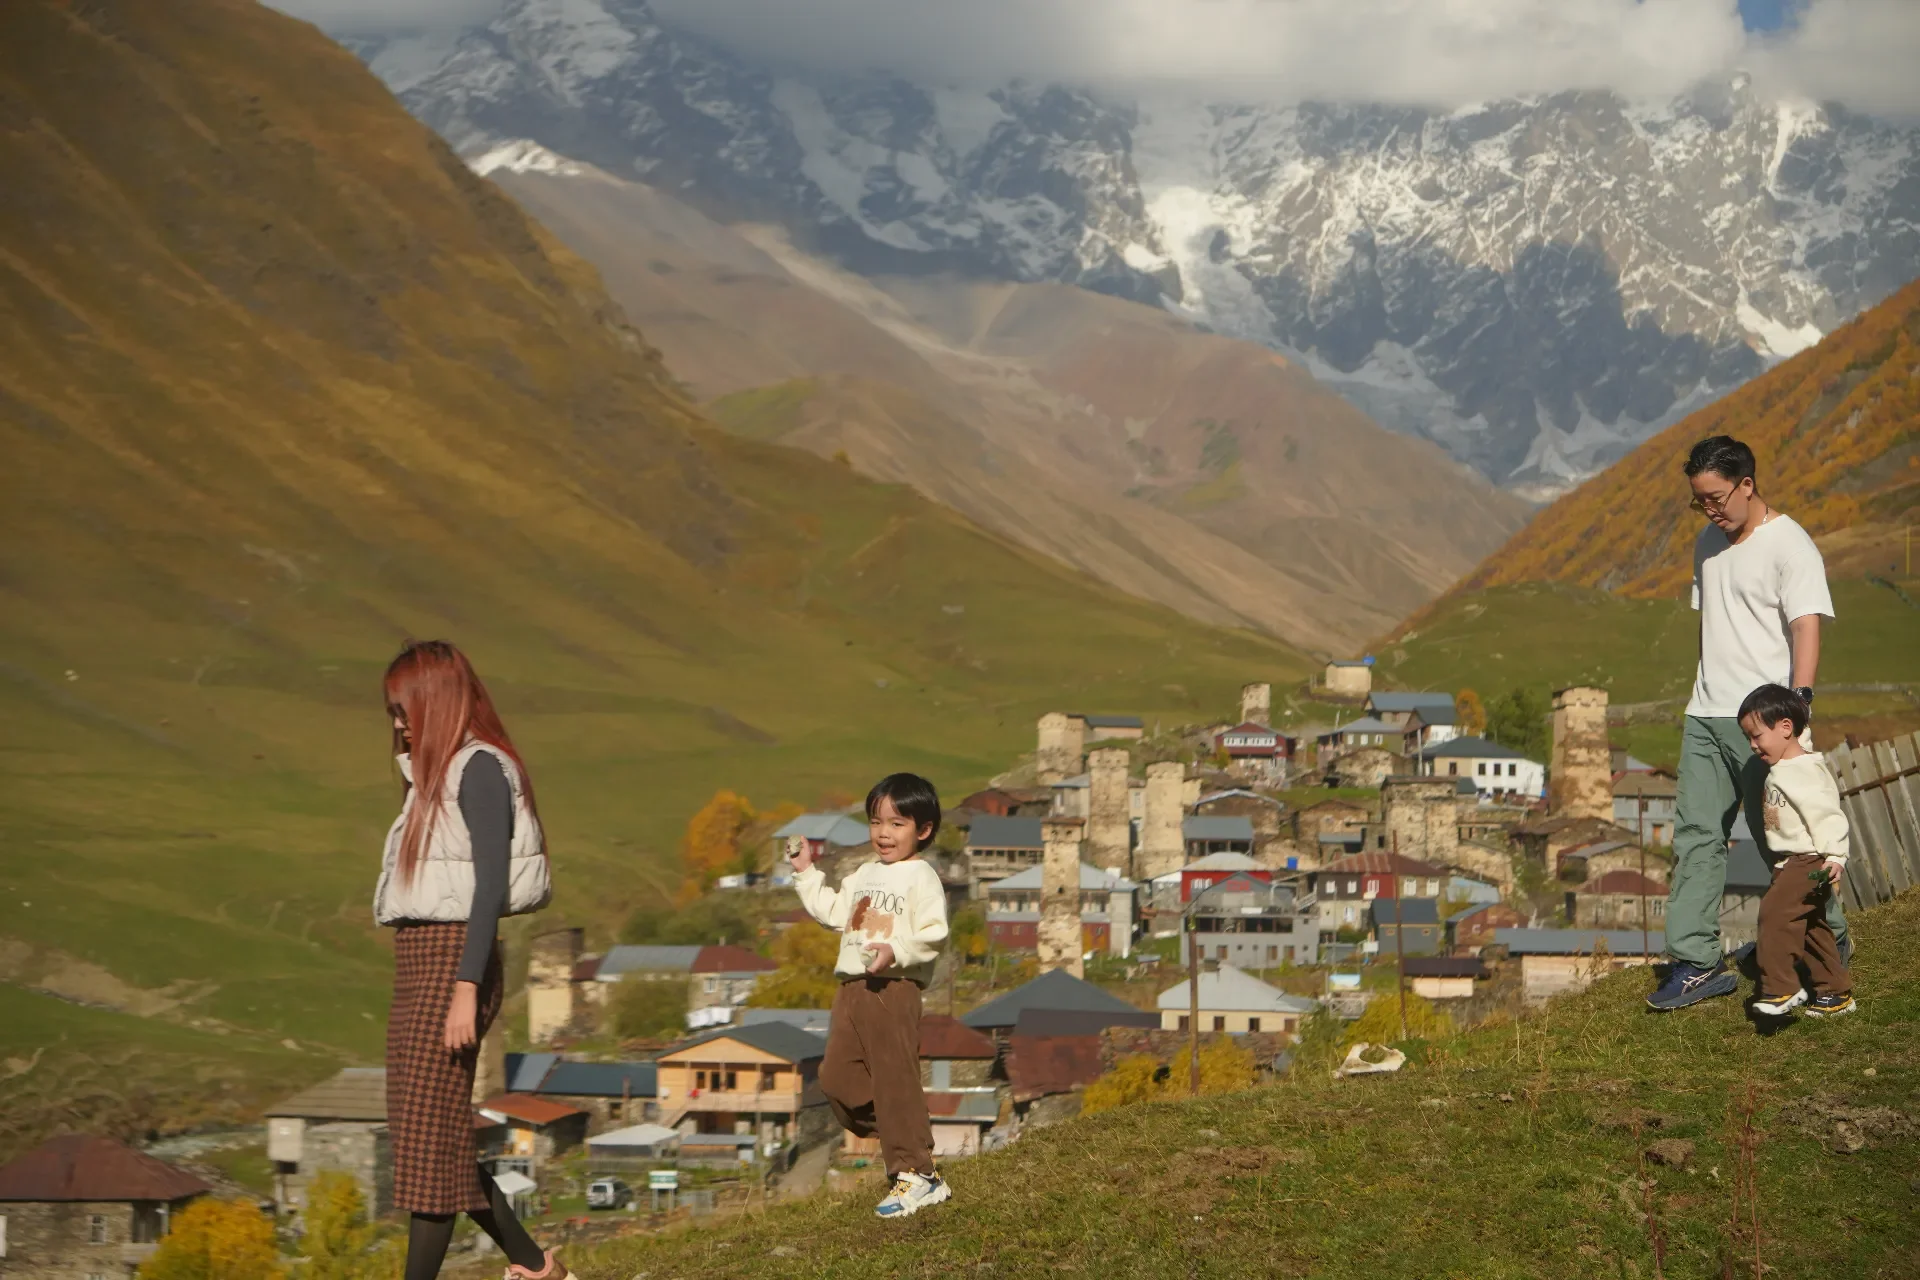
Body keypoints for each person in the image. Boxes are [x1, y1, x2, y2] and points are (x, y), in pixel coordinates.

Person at [375, 641, 570, 1279]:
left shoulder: (480, 769)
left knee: (431, 1157)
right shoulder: (432, 777)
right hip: (420, 964)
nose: (398, 723)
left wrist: (465, 987)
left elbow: (488, 888)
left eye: (405, 709)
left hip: (453, 961)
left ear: (437, 701)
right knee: (430, 1143)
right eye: (392, 711)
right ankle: (538, 1269)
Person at [1647, 435, 1846, 1011]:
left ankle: (1829, 946)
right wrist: (1705, 689)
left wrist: (1798, 707)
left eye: (1716, 498)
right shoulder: (1707, 544)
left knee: (1788, 846)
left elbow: (1806, 626)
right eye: (1699, 501)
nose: (1709, 510)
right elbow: (1716, 625)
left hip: (1766, 722)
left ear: (1747, 484)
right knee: (1697, 837)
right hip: (1705, 713)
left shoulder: (1791, 545)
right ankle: (1696, 962)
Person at [788, 773, 953, 1219]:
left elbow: (934, 933)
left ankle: (917, 1174)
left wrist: (895, 951)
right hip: (852, 989)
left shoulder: (921, 877)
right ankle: (907, 1135)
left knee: (894, 1078)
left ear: (923, 830)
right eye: (876, 822)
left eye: (897, 824)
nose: (883, 833)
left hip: (893, 988)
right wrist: (806, 871)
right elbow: (834, 912)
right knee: (836, 1081)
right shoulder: (865, 873)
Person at [1738, 684, 1855, 1018]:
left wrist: (1836, 856)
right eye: (1748, 737)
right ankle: (1834, 993)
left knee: (1774, 915)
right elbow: (1801, 737)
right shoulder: (1791, 757)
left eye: (1757, 736)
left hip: (1809, 861)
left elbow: (1828, 814)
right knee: (1812, 929)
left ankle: (1780, 988)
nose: (1752, 745)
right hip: (1792, 860)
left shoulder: (1804, 772)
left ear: (1785, 728)